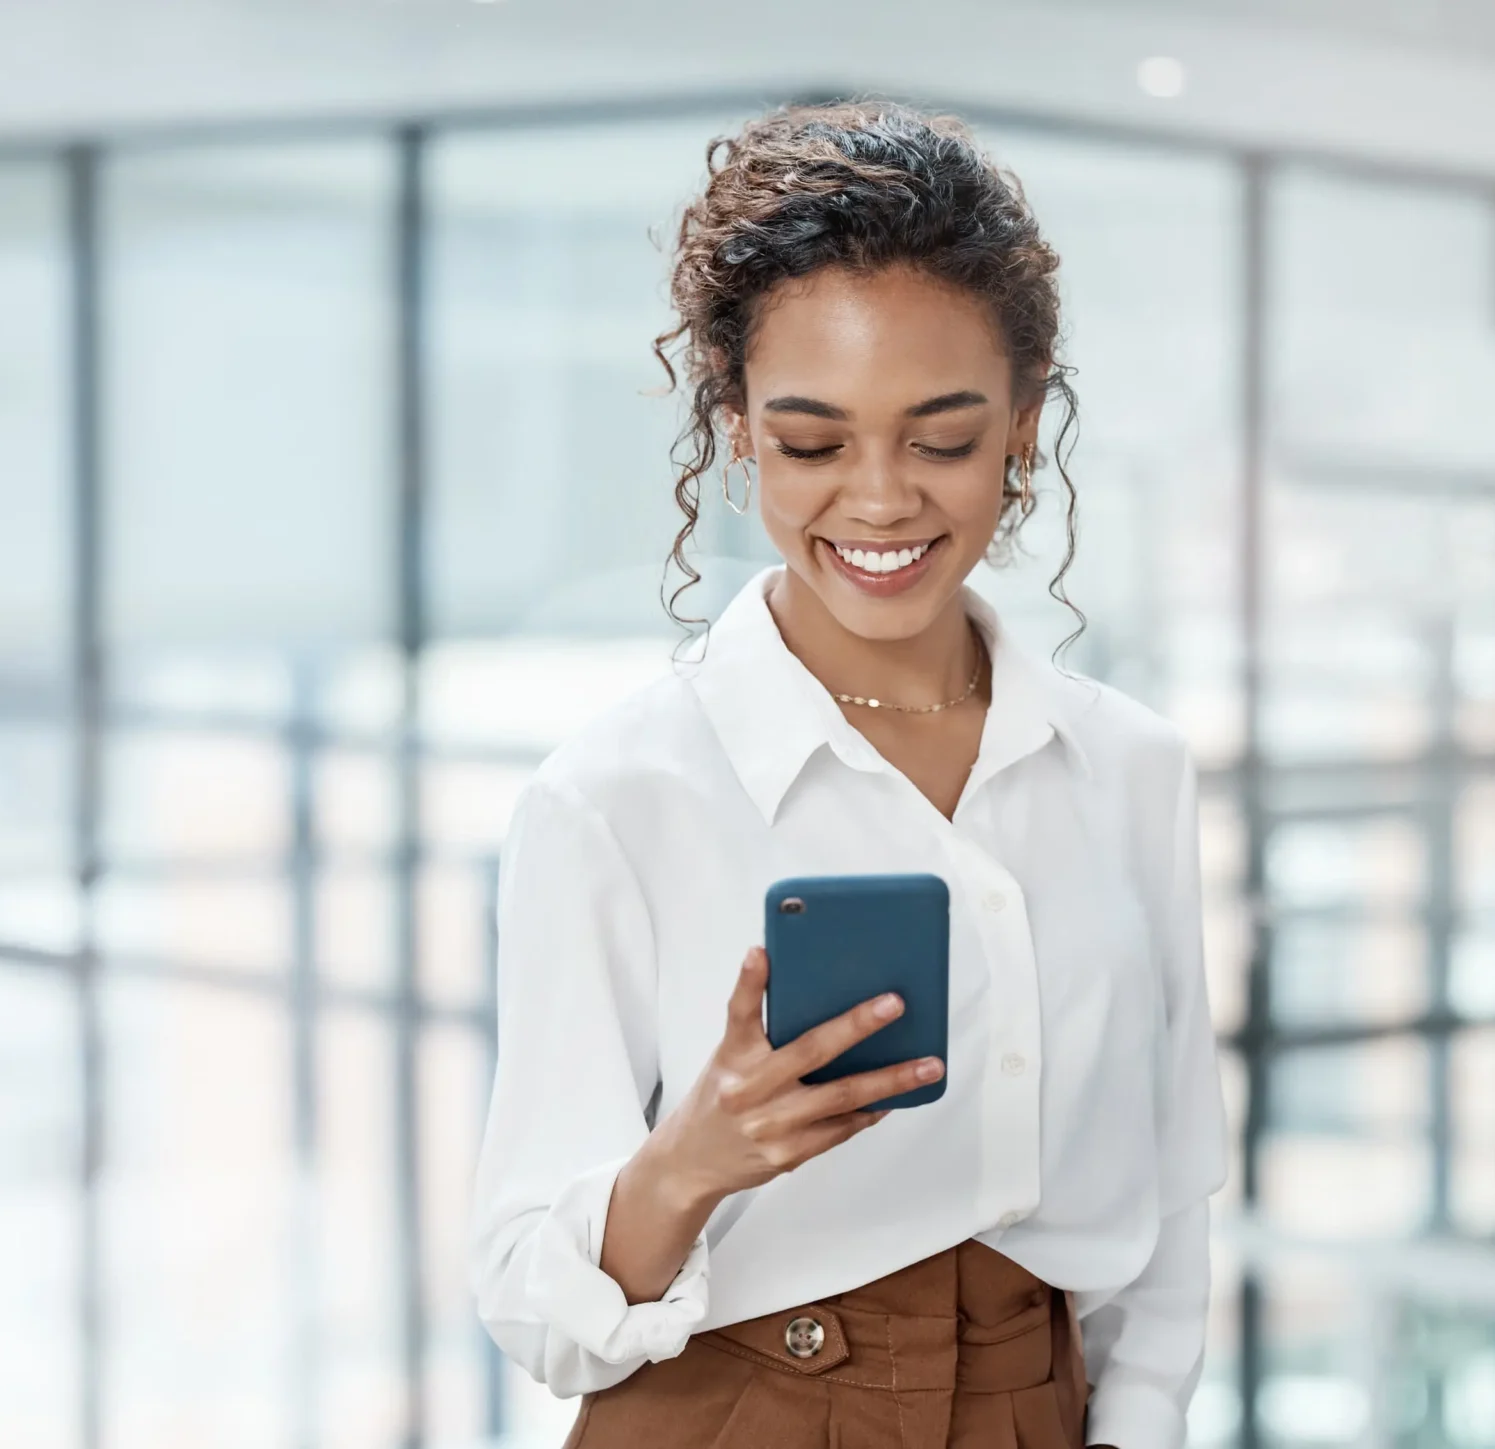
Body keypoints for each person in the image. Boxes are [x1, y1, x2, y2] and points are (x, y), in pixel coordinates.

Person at [467, 98, 1225, 1449]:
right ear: (739, 428)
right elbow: (531, 1300)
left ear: (1024, 424)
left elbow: (1165, 1206)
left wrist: (1139, 1422)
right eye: (813, 442)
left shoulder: (1132, 773)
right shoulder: (614, 797)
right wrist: (690, 1164)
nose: (879, 501)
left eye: (941, 438)